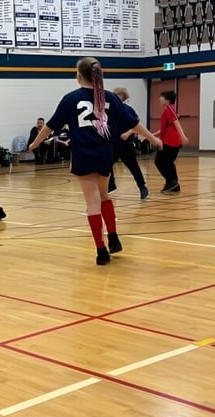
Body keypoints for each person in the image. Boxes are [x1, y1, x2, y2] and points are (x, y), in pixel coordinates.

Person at [29, 57, 161, 265]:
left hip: (83, 154)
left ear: (79, 76)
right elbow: (134, 123)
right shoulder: (110, 97)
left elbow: (50, 126)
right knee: (104, 195)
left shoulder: (70, 99)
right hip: (104, 153)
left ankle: (101, 250)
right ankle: (113, 235)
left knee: (92, 202)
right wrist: (153, 138)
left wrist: (35, 143)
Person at [108, 87, 150, 200]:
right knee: (106, 165)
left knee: (133, 166)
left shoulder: (128, 110)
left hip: (126, 143)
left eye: (119, 95)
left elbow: (136, 125)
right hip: (112, 142)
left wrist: (127, 133)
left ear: (123, 97)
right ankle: (111, 186)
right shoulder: (109, 110)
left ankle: (142, 187)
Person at [154, 90, 189, 194]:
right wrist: (152, 135)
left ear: (167, 100)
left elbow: (176, 123)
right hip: (168, 141)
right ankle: (173, 184)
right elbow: (166, 127)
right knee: (168, 163)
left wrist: (183, 136)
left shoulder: (169, 109)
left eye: (162, 97)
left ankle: (172, 182)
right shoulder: (168, 109)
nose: (160, 99)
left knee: (160, 162)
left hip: (170, 142)